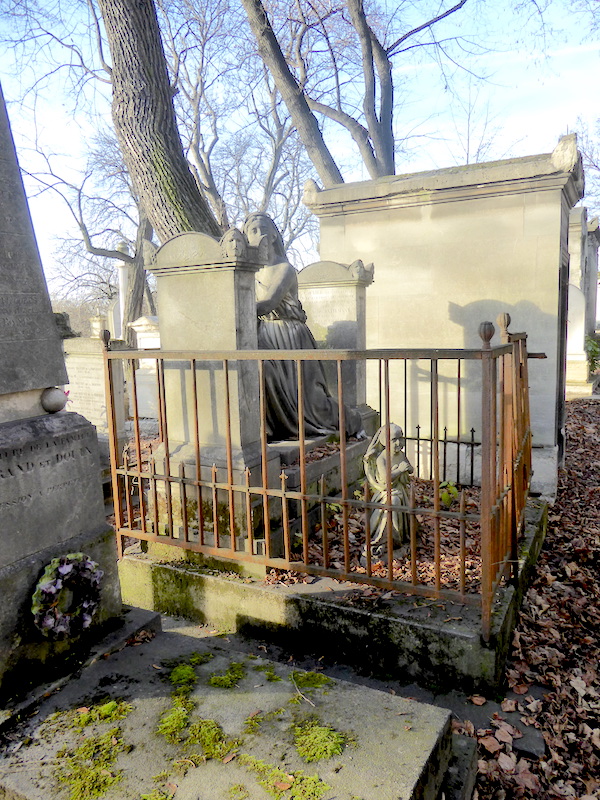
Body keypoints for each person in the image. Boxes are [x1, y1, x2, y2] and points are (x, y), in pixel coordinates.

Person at [242, 212, 363, 441]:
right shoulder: (250, 273)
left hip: (290, 336)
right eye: (253, 231)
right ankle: (275, 428)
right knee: (264, 375)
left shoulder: (284, 268)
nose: (259, 235)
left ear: (274, 236)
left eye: (263, 229)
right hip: (264, 335)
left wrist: (236, 310)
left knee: (312, 400)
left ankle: (352, 420)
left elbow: (268, 303)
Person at [363, 424, 413, 561]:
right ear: (385, 442)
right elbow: (386, 479)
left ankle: (398, 538)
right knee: (392, 503)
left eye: (400, 438)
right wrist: (399, 470)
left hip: (400, 490)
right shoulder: (382, 458)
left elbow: (410, 469)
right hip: (386, 492)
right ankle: (383, 539)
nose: (398, 443)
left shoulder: (401, 455)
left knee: (397, 502)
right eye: (394, 439)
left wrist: (407, 468)